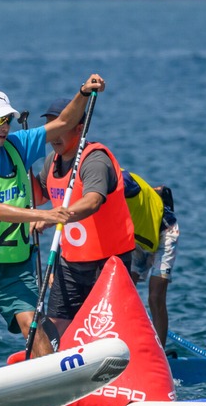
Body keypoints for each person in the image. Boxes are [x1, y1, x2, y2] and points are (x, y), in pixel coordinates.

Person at [0, 76, 105, 380]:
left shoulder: (18, 146)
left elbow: (65, 122)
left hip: (15, 269)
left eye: (8, 120)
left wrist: (82, 92)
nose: (5, 126)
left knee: (34, 329)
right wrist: (50, 216)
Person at [35, 95, 135, 340]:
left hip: (109, 263)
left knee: (107, 327)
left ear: (79, 128)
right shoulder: (52, 162)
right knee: (55, 326)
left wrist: (52, 217)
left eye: (61, 127)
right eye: (50, 128)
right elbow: (36, 196)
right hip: (70, 262)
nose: (53, 135)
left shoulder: (95, 160)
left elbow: (92, 201)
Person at [122, 170, 179, 347]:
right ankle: (126, 343)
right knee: (124, 293)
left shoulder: (121, 179)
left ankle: (159, 352)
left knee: (155, 297)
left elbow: (127, 186)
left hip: (165, 232)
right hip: (138, 238)